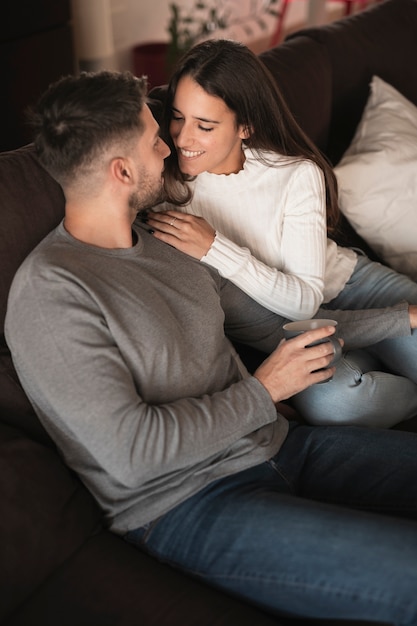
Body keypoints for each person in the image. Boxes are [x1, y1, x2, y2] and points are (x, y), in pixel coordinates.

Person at [6, 69, 417, 626]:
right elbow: (132, 455)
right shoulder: (51, 293)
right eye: (156, 138)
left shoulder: (171, 241)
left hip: (281, 449)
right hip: (189, 505)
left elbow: (281, 329)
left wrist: (403, 317)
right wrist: (265, 388)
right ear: (123, 171)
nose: (170, 146)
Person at [144, 38, 417, 428]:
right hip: (282, 331)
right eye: (177, 117)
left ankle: (381, 351)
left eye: (205, 125)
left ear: (245, 126)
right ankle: (381, 362)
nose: (183, 139)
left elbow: (305, 298)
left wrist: (213, 247)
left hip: (353, 288)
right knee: (339, 406)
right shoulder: (166, 191)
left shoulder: (293, 174)